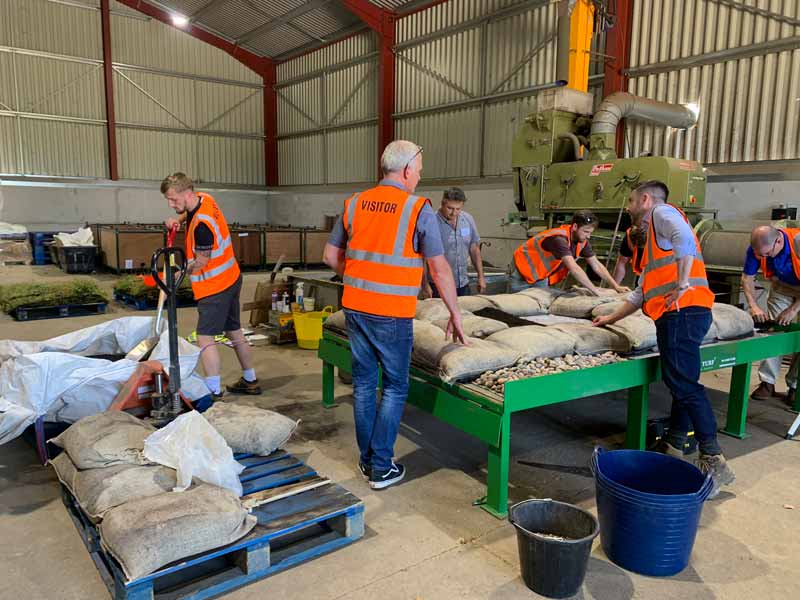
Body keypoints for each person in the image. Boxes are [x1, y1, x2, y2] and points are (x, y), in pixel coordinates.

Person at [323, 140, 467, 491]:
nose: (420, 176)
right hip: (391, 314)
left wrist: (360, 280)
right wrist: (455, 313)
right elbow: (439, 269)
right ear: (406, 170)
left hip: (355, 308)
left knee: (363, 383)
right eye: (419, 170)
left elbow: (330, 256)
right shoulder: (417, 208)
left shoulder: (353, 204)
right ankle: (382, 467)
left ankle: (367, 459)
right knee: (395, 386)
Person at [593, 180, 735, 498]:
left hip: (681, 313)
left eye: (630, 200)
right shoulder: (655, 245)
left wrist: (682, 284)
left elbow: (684, 238)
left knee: (685, 385)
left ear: (645, 199)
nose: (628, 207)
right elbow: (640, 292)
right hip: (686, 314)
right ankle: (673, 445)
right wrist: (610, 318)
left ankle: (713, 458)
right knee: (682, 382)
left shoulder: (662, 213)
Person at [162, 173, 261, 399]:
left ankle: (213, 391)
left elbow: (202, 261)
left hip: (215, 286)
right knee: (234, 331)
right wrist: (177, 219)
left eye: (173, 199)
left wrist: (179, 271)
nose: (170, 204)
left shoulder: (202, 226)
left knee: (205, 338)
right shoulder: (205, 198)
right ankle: (250, 380)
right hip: (232, 276)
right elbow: (191, 212)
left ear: (187, 193)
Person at [741, 225, 800, 405]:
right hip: (782, 287)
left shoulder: (798, 242)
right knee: (774, 331)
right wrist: (753, 306)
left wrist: (793, 309)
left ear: (779, 241)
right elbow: (747, 278)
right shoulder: (757, 248)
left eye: (767, 254)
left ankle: (795, 386)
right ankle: (767, 382)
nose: (763, 258)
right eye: (760, 255)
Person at [508, 210, 631, 295]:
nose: (588, 236)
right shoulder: (558, 240)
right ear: (575, 227)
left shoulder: (581, 241)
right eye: (586, 231)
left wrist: (616, 286)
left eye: (590, 233)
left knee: (537, 309)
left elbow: (597, 265)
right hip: (521, 274)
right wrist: (595, 291)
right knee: (513, 310)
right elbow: (574, 268)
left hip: (540, 277)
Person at [421, 187, 486, 298]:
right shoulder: (431, 223)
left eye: (458, 209)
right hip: (438, 286)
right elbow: (423, 257)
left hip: (463, 284)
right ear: (442, 203)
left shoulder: (467, 219)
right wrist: (425, 284)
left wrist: (481, 276)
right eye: (450, 208)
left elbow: (474, 249)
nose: (454, 213)